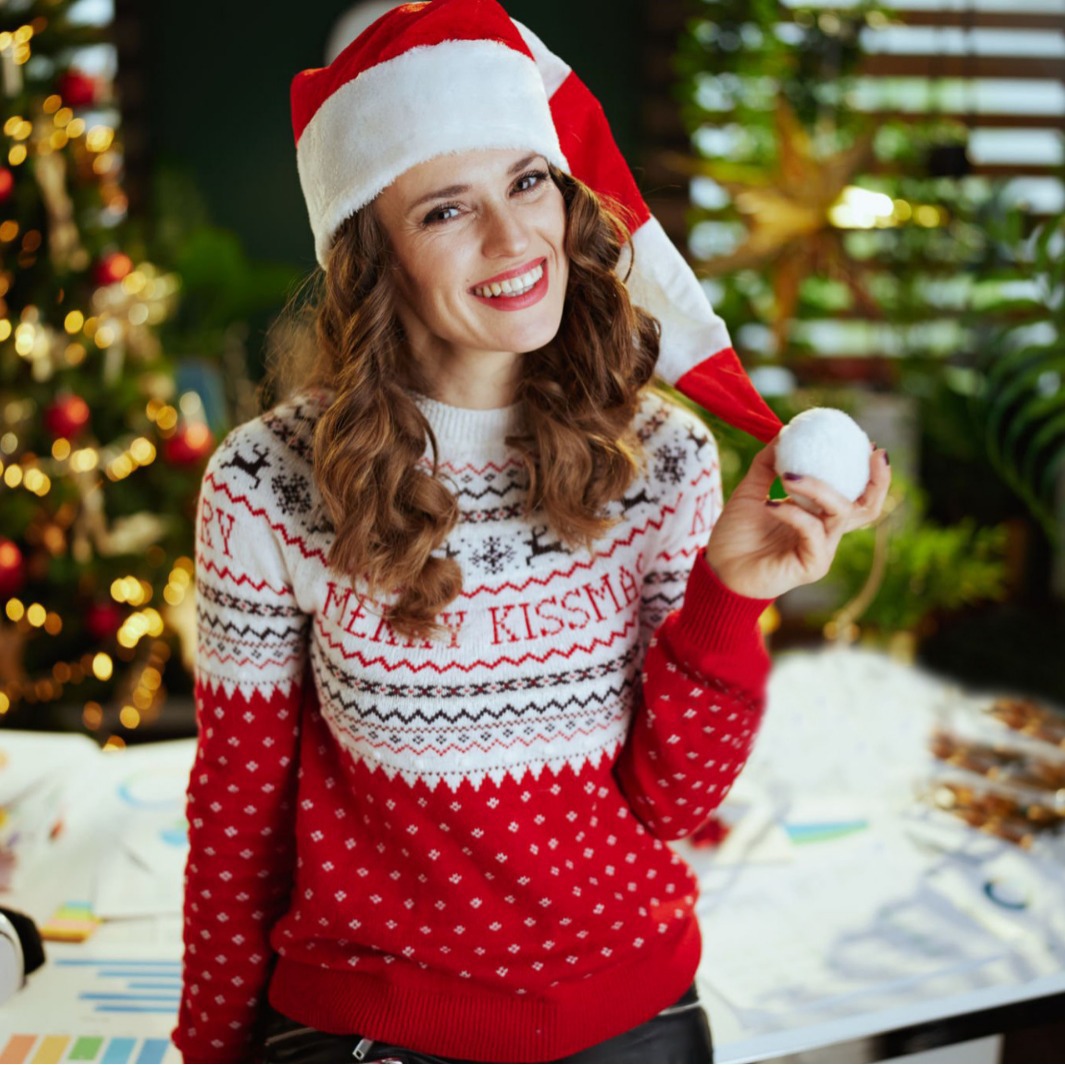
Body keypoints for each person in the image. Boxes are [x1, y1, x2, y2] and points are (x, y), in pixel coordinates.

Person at [174, 1, 891, 1062]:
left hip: (637, 1029)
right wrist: (210, 1046)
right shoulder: (263, 485)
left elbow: (672, 799)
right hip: (369, 1036)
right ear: (372, 257)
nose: (515, 241)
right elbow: (238, 820)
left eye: (527, 182)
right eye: (445, 211)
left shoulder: (666, 461)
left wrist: (730, 597)